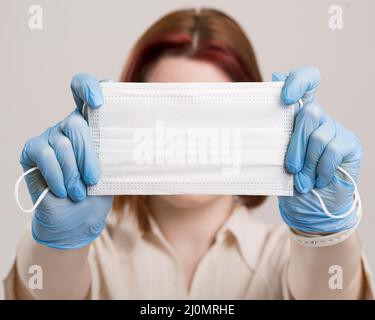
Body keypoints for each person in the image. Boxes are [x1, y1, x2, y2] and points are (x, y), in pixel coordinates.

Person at [4, 8, 374, 299]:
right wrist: (56, 248)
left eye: (210, 114)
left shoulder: (283, 254)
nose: (186, 135)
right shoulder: (91, 253)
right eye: (168, 112)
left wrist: (327, 238)